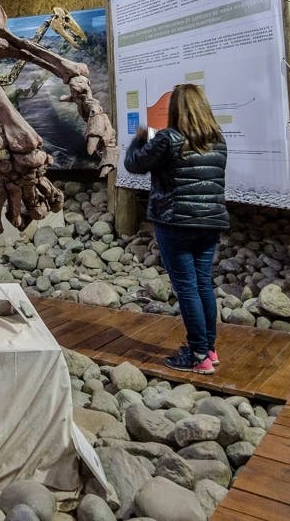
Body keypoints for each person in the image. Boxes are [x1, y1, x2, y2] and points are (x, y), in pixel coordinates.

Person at [123, 84, 228, 375]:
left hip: (176, 221)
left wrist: (140, 138)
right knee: (203, 284)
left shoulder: (168, 140)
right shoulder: (218, 140)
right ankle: (209, 348)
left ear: (174, 109)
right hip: (210, 222)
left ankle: (197, 355)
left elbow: (133, 164)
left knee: (187, 288)